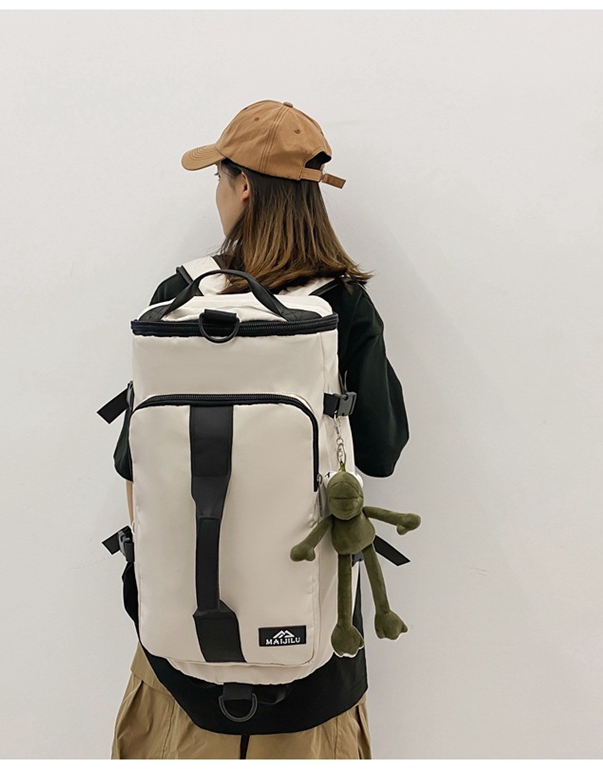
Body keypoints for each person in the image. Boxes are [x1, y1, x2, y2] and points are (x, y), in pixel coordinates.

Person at [110, 100, 409, 760]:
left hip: (178, 656)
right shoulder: (345, 303)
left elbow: (135, 464)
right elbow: (384, 450)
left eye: (219, 177)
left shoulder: (180, 297)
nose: (218, 194)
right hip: (315, 655)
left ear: (243, 184)